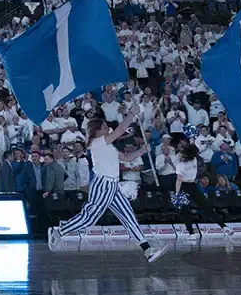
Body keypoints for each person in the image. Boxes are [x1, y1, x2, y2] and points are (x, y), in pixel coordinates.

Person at [48, 108, 156, 261]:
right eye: (105, 127)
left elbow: (125, 157)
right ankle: (59, 231)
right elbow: (120, 130)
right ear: (97, 131)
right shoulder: (97, 142)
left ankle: (147, 249)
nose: (108, 129)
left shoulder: (108, 145)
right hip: (103, 184)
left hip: (113, 185)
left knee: (128, 215)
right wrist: (131, 113)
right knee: (90, 217)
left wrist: (142, 151)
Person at [168, 137, 221, 238]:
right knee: (192, 209)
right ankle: (192, 232)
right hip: (186, 186)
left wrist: (177, 194)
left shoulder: (190, 161)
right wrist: (177, 194)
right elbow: (178, 180)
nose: (181, 154)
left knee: (198, 207)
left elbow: (193, 150)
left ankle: (221, 226)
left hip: (188, 186)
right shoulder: (185, 162)